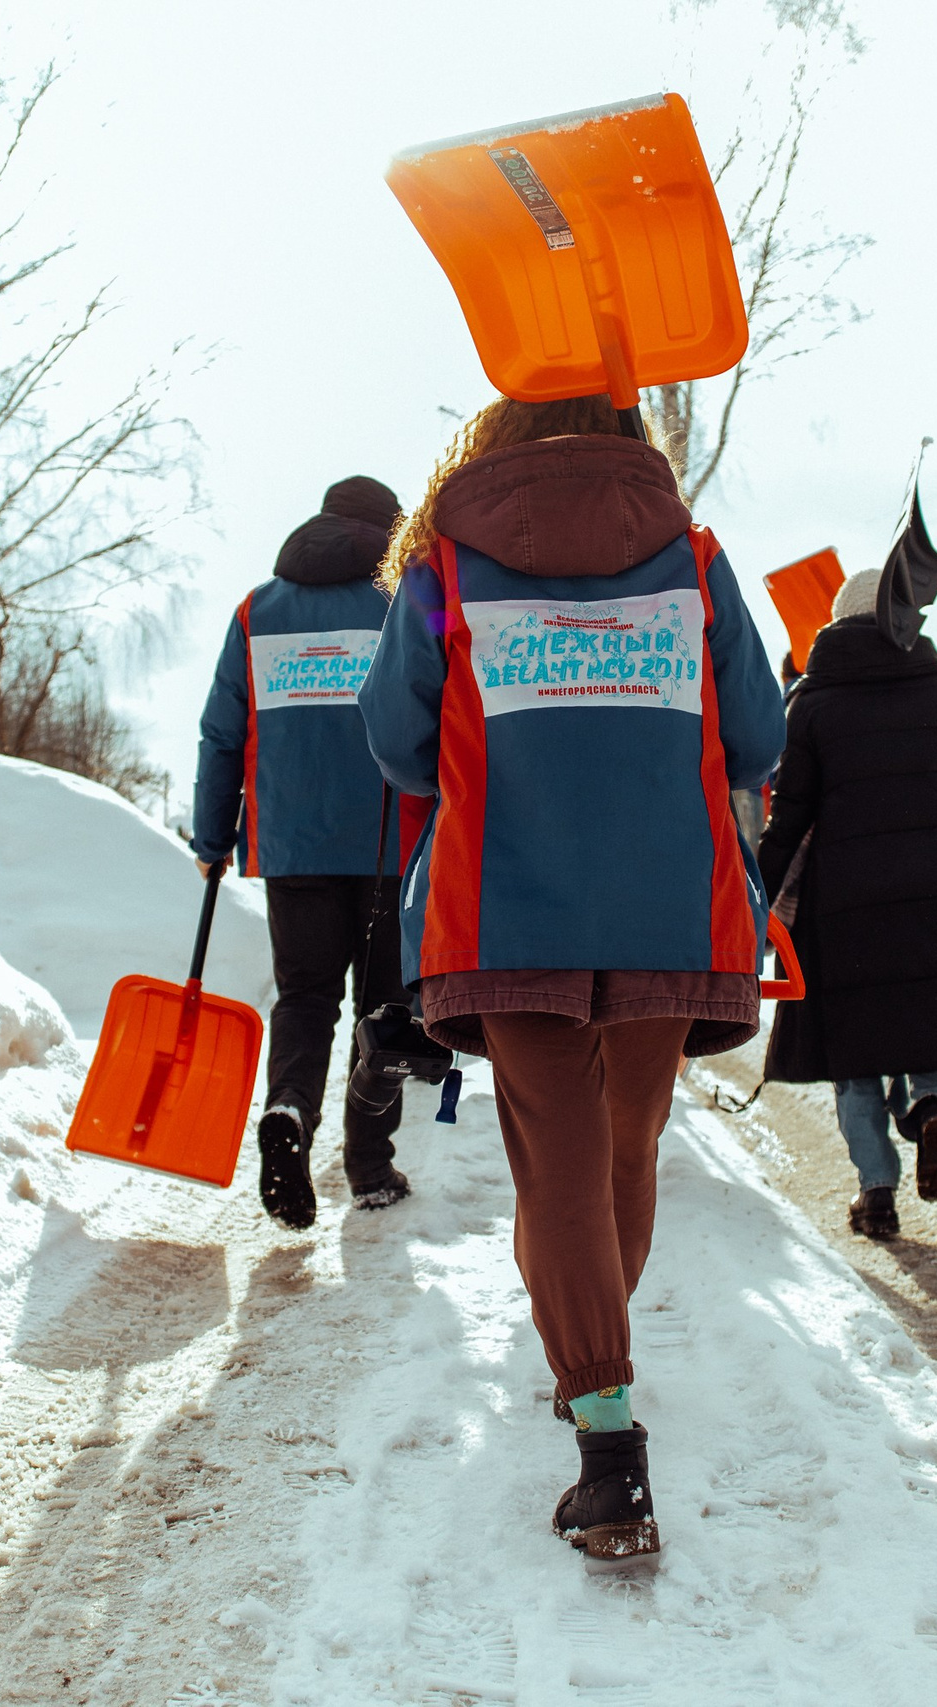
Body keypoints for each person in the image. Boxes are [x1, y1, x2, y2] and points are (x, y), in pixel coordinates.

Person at [359, 396, 784, 1569]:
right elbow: (755, 734)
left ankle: (605, 1441)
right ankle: (594, 1368)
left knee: (554, 1159)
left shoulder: (444, 565)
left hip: (506, 898)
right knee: (626, 1152)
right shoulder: (693, 557)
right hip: (665, 896)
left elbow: (397, 747)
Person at [756, 567, 937, 1240]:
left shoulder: (812, 702)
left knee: (856, 1060)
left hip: (843, 907)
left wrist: (753, 896)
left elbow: (788, 818)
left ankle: (876, 1193)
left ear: (837, 623)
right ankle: (930, 1103)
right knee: (924, 1020)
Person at [193, 476, 424, 1230]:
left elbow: (223, 732)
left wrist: (209, 837)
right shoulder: (403, 601)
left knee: (306, 1001)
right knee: (384, 1008)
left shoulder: (258, 610)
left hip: (292, 845)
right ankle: (370, 1166)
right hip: (392, 841)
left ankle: (290, 1110)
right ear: (386, 532)